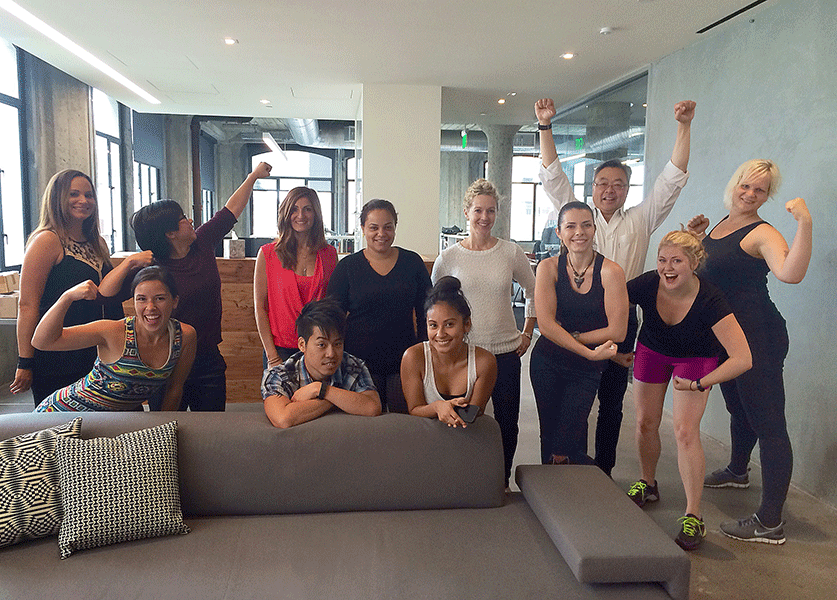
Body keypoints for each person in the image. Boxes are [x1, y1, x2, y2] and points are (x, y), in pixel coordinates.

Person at [535, 97, 695, 476]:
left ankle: (602, 472)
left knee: (610, 403)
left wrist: (684, 126)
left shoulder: (641, 219)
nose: (610, 190)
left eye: (619, 184)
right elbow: (553, 174)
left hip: (619, 324)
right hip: (571, 320)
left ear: (627, 189)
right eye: (603, 183)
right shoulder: (577, 215)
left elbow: (672, 178)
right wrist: (545, 126)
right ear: (592, 188)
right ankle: (568, 467)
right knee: (573, 404)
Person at [688, 160, 813, 545]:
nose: (749, 194)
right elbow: (708, 274)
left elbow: (790, 273)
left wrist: (804, 224)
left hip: (759, 337)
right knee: (737, 408)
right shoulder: (722, 225)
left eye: (759, 190)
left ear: (767, 196)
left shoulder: (763, 233)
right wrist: (695, 238)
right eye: (745, 185)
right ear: (735, 184)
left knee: (769, 423)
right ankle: (738, 471)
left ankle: (770, 522)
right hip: (728, 338)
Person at [625, 231, 751, 551]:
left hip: (695, 359)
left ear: (694, 264)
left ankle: (693, 514)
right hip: (652, 350)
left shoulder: (711, 300)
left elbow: (743, 358)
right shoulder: (647, 283)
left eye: (677, 261)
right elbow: (611, 299)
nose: (667, 268)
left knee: (684, 432)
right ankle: (647, 483)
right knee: (645, 422)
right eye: (662, 260)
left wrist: (699, 383)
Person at [126, 162, 272, 411]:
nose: (190, 220)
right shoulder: (153, 269)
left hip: (207, 358)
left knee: (212, 428)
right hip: (166, 359)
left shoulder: (201, 243)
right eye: (183, 219)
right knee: (168, 426)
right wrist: (129, 262)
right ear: (170, 233)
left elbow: (229, 212)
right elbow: (107, 293)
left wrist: (253, 176)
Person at [13, 169, 152, 405]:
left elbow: (105, 294)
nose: (83, 201)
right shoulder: (47, 241)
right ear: (57, 199)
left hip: (100, 352)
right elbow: (27, 305)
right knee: (63, 428)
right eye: (74, 194)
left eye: (89, 195)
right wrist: (25, 361)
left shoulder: (97, 242)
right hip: (60, 353)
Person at [431, 179, 535, 484]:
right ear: (467, 212)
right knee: (463, 419)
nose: (484, 217)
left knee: (506, 423)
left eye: (491, 211)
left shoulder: (510, 253)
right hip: (463, 355)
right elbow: (435, 304)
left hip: (505, 351)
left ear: (497, 213)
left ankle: (499, 481)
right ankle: (463, 481)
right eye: (478, 210)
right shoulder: (448, 258)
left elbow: (533, 289)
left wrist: (527, 330)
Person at [529, 201, 627, 465]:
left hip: (585, 368)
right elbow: (547, 325)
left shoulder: (611, 271)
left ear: (594, 229)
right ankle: (551, 497)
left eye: (585, 225)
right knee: (549, 434)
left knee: (568, 436)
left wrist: (576, 341)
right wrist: (589, 352)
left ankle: (577, 494)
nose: (579, 232)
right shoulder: (548, 268)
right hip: (548, 362)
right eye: (570, 226)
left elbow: (617, 331)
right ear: (559, 233)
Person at [33, 266, 197, 412]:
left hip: (109, 422)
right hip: (62, 412)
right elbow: (42, 341)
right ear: (133, 302)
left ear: (174, 301)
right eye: (141, 299)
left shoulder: (184, 336)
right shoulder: (114, 331)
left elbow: (174, 389)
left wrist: (163, 431)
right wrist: (67, 297)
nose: (150, 307)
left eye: (160, 298)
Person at [327, 199, 431, 412]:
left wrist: (426, 355)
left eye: (388, 227)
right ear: (363, 228)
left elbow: (426, 314)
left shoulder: (413, 263)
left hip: (403, 364)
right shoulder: (347, 267)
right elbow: (333, 317)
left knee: (402, 426)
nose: (381, 233)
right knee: (366, 431)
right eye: (373, 227)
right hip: (358, 366)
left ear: (395, 227)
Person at [262, 298, 381, 429]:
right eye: (321, 345)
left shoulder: (353, 366)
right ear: (302, 345)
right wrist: (338, 400)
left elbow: (372, 407)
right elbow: (283, 418)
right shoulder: (279, 374)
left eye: (337, 344)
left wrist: (320, 389)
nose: (331, 353)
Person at [255, 187, 338, 370]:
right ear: (286, 213)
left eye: (307, 209)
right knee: (281, 400)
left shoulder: (329, 254)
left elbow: (333, 304)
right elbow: (260, 308)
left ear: (316, 213)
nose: (301, 215)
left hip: (319, 347)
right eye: (294, 209)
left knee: (318, 398)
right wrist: (272, 356)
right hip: (280, 349)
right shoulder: (268, 254)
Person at [401, 276, 497, 428]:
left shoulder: (484, 361)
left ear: (466, 324)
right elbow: (414, 409)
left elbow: (473, 413)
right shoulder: (413, 357)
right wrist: (437, 407)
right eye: (433, 325)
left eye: (449, 324)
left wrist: (446, 408)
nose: (440, 334)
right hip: (426, 439)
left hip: (468, 437)